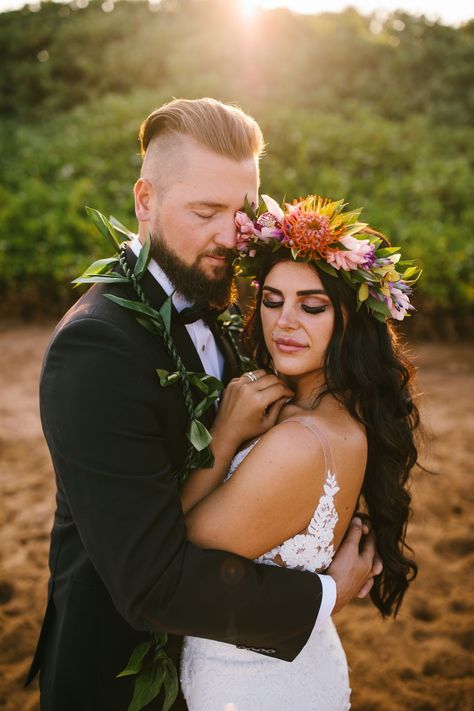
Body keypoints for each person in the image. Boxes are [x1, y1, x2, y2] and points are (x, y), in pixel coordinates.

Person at [26, 99, 380, 711]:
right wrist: (324, 596)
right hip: (117, 678)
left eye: (241, 212)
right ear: (144, 200)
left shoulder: (212, 301)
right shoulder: (96, 347)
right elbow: (148, 581)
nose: (229, 235)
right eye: (205, 211)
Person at [177, 195, 420, 709]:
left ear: (350, 320)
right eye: (272, 300)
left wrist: (223, 434)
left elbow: (173, 546)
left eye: (311, 306)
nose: (285, 321)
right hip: (293, 662)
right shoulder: (331, 412)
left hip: (256, 691)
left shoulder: (300, 441)